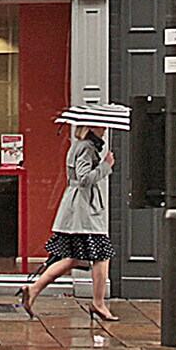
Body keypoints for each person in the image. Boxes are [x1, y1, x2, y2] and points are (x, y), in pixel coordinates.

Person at [22, 124, 118, 322]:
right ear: (91, 128)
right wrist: (106, 166)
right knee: (102, 255)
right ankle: (98, 303)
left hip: (79, 209)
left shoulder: (80, 145)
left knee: (72, 258)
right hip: (84, 212)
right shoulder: (86, 147)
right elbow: (84, 179)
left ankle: (33, 289)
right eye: (101, 127)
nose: (104, 130)